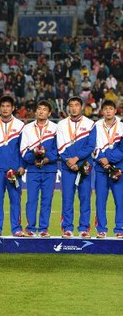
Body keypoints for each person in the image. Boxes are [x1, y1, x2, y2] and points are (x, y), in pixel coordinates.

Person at [0, 96, 26, 237]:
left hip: (14, 170)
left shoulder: (20, 125)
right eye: (3, 106)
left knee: (15, 199)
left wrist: (22, 165)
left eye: (8, 106)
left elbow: (23, 148)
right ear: (0, 108)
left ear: (13, 108)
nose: (5, 109)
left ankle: (17, 228)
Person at [56, 96, 96, 238]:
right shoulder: (61, 124)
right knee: (67, 198)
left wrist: (75, 159)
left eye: (76, 105)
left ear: (81, 107)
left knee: (85, 198)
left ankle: (84, 228)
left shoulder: (90, 124)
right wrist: (68, 161)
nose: (74, 108)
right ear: (68, 107)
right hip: (67, 167)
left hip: (84, 167)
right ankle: (67, 228)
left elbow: (91, 146)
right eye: (71, 105)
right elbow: (59, 146)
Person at [20, 100, 59, 237]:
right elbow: (23, 149)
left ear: (49, 113)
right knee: (31, 199)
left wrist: (48, 159)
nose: (41, 111)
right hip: (33, 169)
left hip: (49, 169)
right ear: (36, 111)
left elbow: (59, 149)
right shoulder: (27, 128)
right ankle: (30, 228)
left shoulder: (55, 128)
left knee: (47, 200)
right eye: (39, 109)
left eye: (44, 109)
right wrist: (33, 160)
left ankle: (43, 229)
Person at [93, 100, 123, 238]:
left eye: (111, 108)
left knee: (120, 201)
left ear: (115, 111)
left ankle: (119, 229)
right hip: (101, 170)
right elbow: (93, 146)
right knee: (100, 201)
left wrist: (108, 160)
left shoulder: (121, 126)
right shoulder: (96, 126)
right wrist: (102, 160)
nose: (108, 111)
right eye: (105, 109)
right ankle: (101, 229)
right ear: (102, 111)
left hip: (118, 169)